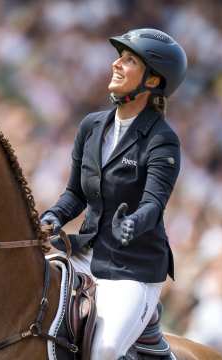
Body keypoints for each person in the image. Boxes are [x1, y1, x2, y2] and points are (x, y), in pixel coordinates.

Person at [40, 28, 187, 359]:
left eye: (130, 60)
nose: (116, 64)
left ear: (152, 81)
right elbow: (75, 194)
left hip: (133, 270)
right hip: (87, 253)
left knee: (103, 351)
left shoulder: (162, 140)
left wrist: (132, 224)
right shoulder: (91, 126)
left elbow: (153, 204)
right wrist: (53, 216)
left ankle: (145, 325)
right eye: (120, 57)